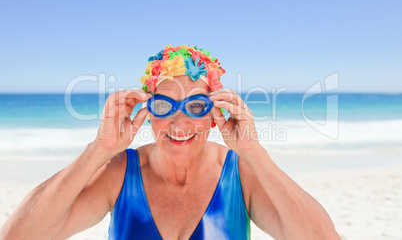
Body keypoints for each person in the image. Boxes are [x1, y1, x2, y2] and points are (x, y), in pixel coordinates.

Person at [1, 45, 340, 240]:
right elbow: (18, 235)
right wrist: (99, 150)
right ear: (147, 111)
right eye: (164, 105)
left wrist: (254, 153)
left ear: (214, 112)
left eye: (196, 105)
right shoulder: (119, 174)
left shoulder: (241, 174)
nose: (180, 122)